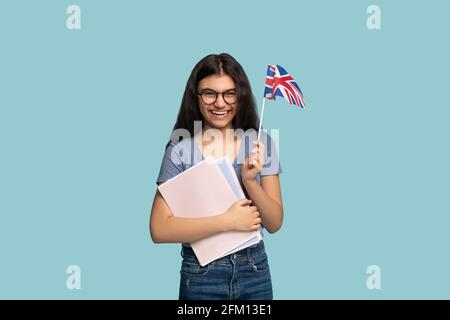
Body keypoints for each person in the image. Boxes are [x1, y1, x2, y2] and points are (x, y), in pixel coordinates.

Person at [149, 53, 283, 300]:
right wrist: (228, 221)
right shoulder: (180, 149)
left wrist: (251, 182)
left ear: (240, 96)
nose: (220, 103)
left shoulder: (260, 143)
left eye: (229, 93)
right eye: (209, 93)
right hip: (201, 274)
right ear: (196, 96)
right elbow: (159, 228)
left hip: (255, 270)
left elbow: (274, 223)